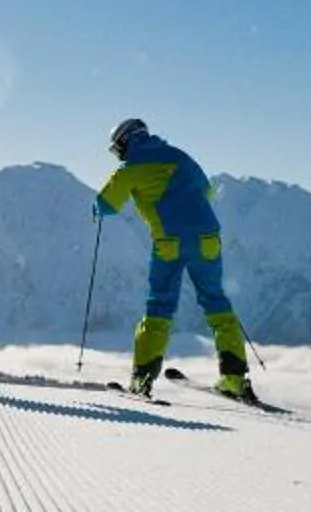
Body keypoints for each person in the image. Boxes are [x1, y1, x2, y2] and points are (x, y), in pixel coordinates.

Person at [93, 116, 257, 401]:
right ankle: (234, 378)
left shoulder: (129, 169)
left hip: (169, 243)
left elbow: (105, 205)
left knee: (159, 306)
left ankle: (142, 380)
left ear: (125, 141)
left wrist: (100, 208)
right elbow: (206, 190)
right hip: (207, 239)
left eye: (117, 148)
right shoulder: (181, 157)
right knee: (216, 302)